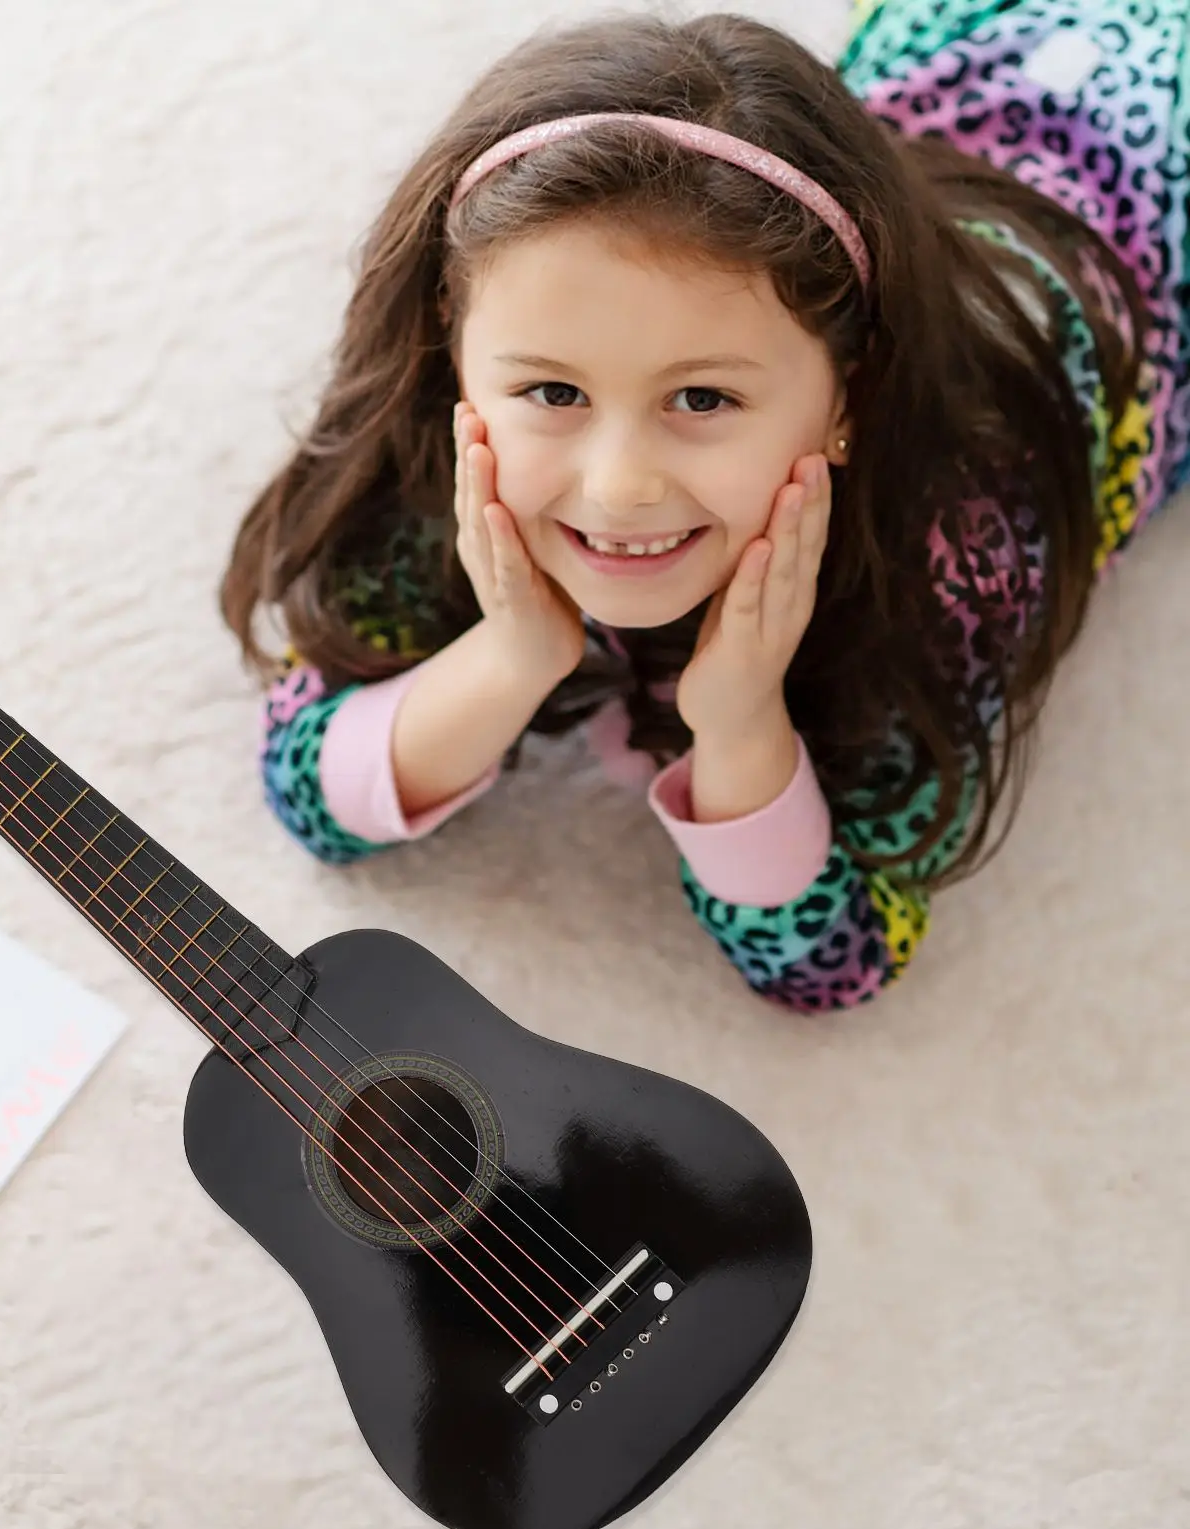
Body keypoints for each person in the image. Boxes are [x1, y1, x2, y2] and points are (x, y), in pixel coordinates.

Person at [219, 3, 1173, 1012]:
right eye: (553, 392)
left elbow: (828, 960)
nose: (619, 485)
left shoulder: (955, 537)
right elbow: (309, 790)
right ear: (450, 347)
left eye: (703, 399)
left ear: (850, 393)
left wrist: (740, 723)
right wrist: (508, 658)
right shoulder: (447, 446)